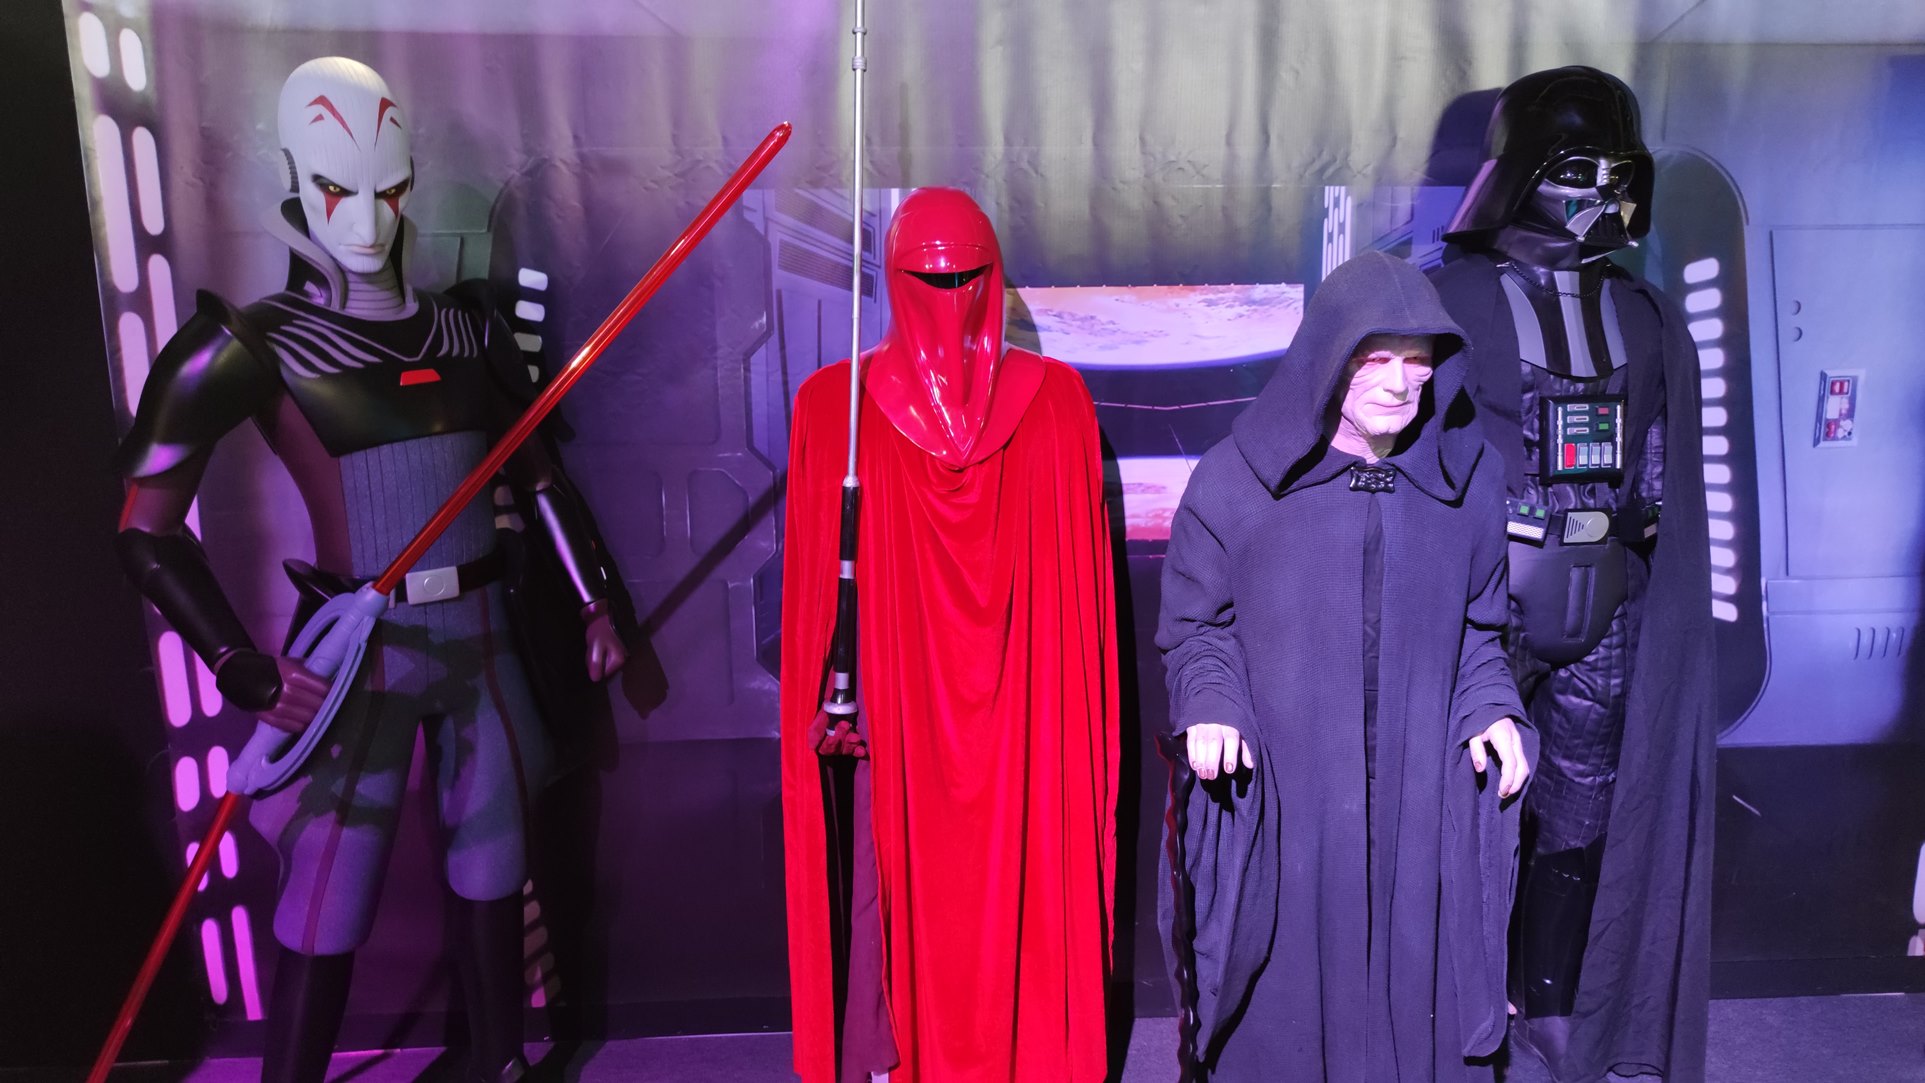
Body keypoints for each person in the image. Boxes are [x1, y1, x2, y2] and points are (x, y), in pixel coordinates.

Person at [113, 57, 624, 1083]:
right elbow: (145, 529)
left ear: (409, 181)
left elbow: (539, 475)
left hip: (482, 641)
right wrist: (237, 663)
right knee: (327, 886)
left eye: (386, 190)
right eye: (336, 189)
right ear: (295, 184)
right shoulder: (246, 344)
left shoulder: (467, 328)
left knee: (493, 869)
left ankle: (495, 1064)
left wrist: (594, 601)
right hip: (359, 653)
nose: (364, 217)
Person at [1159, 250, 1532, 1081]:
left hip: (1416, 801)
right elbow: (1195, 628)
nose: (1399, 384)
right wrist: (1211, 700)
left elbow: (1481, 630)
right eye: (1376, 358)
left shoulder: (1468, 479)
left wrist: (1491, 707)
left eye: (1417, 360)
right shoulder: (1235, 480)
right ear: (1328, 357)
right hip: (1292, 800)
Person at [779, 188, 1118, 1082]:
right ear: (892, 282)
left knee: (1026, 875)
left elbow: (1077, 608)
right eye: (928, 280)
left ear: (994, 277)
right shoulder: (834, 408)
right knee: (895, 888)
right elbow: (814, 601)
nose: (949, 299)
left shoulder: (1056, 402)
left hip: (1026, 723)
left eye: (966, 278)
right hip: (895, 722)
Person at [1428, 66, 1716, 1081]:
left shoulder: (1643, 316)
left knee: (1581, 811)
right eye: (1578, 170)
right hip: (1481, 609)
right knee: (1458, 801)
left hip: (1608, 602)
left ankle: (1548, 1006)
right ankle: (1452, 999)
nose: (1603, 193)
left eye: (1616, 172)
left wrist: (1641, 514)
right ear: (1523, 171)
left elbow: (1658, 460)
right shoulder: (1445, 301)